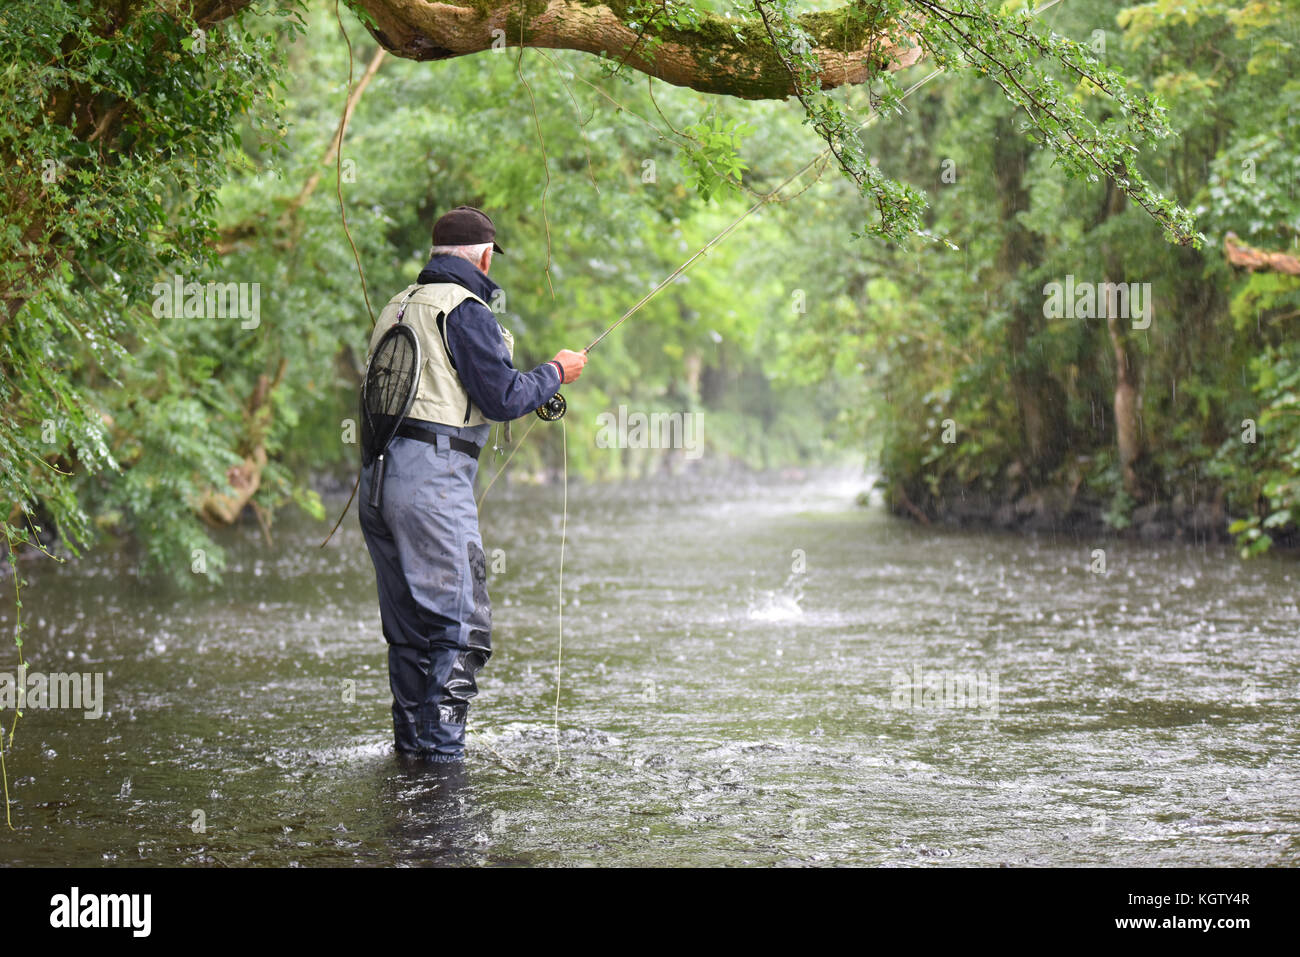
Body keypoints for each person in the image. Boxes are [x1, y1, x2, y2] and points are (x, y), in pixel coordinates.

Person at [358, 205, 587, 763]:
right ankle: (441, 765)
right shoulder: (466, 310)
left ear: (436, 252)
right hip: (431, 488)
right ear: (484, 256)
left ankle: (411, 760)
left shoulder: (397, 306)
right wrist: (556, 371)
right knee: (461, 629)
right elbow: (503, 398)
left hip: (376, 483)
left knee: (411, 634)